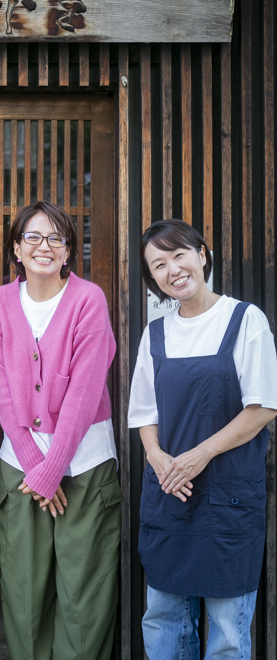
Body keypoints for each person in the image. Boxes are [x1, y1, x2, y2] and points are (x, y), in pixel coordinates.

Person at [128, 218, 277, 660]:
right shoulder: (156, 333)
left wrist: (200, 454)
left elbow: (263, 407)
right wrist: (156, 457)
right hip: (170, 491)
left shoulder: (245, 319)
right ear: (152, 278)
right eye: (159, 264)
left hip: (227, 495)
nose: (172, 269)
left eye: (179, 255)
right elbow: (144, 413)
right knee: (163, 620)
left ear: (202, 255)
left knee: (228, 629)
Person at [0, 200, 121, 660]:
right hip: (21, 468)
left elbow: (85, 393)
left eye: (56, 238)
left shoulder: (88, 299)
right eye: (33, 237)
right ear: (16, 248)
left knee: (84, 597)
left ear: (68, 251)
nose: (44, 246)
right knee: (24, 594)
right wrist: (36, 467)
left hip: (85, 466)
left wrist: (53, 468)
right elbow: (3, 393)